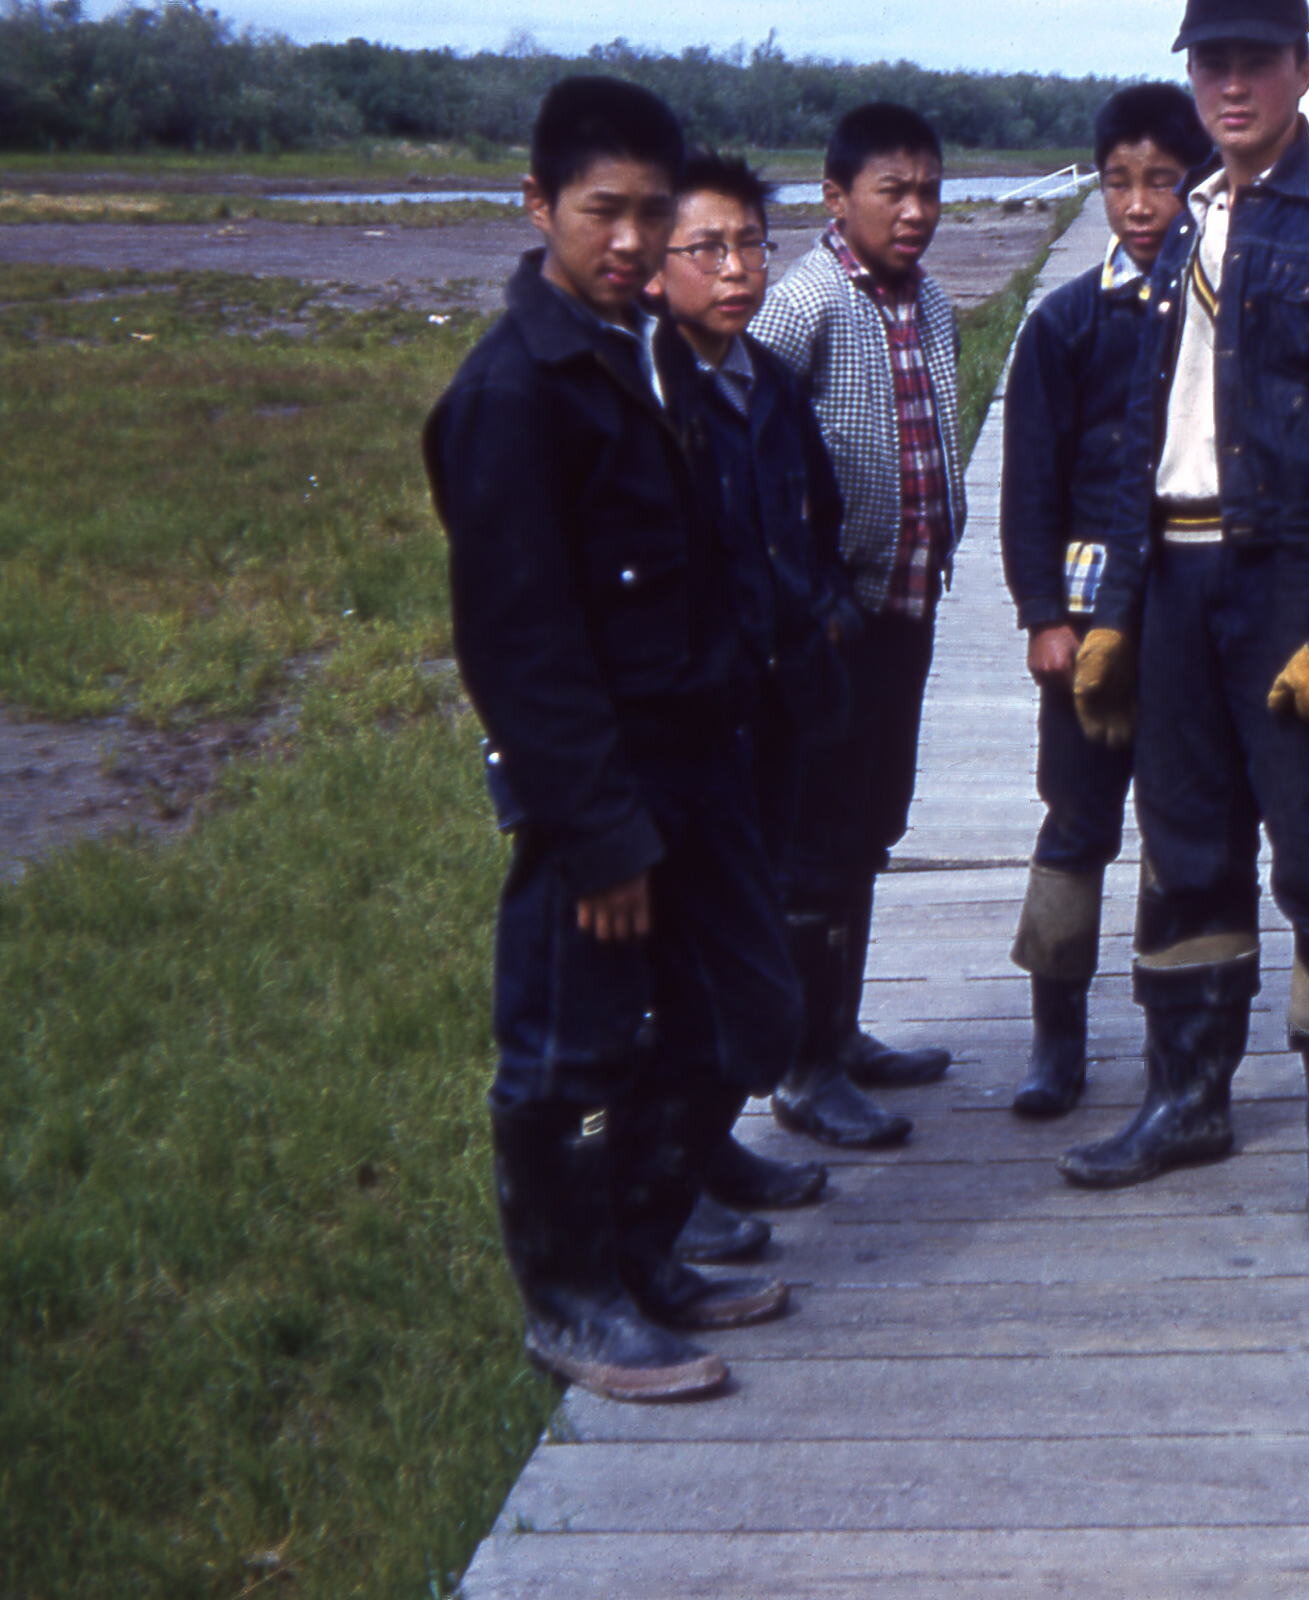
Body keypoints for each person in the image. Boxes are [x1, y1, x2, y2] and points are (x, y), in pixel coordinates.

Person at [423, 77, 799, 1403]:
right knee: (573, 1053)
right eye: (603, 212)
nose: (633, 240)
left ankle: (647, 1252)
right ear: (537, 208)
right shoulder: (517, 392)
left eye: (653, 212)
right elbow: (518, 649)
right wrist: (593, 835)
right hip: (599, 789)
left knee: (744, 1012)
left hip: (702, 762)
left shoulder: (650, 352)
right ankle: (574, 1304)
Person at [1062, 0, 1309, 1235]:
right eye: (1209, 63)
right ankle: (1189, 1097)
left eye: (1253, 62)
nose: (1229, 85)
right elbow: (1132, 451)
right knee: (1184, 850)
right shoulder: (1179, 233)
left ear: (1302, 69)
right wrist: (1115, 606)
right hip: (1173, 577)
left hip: (1288, 580)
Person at [645, 150, 857, 1262]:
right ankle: (663, 1189)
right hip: (693, 722)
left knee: (762, 919)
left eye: (749, 247)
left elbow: (811, 515)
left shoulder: (764, 381)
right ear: (652, 263)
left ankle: (714, 1147)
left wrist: (819, 612)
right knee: (687, 960)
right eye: (707, 249)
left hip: (776, 703)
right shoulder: (648, 396)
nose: (735, 270)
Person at [750, 103, 966, 1146]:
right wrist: (801, 589)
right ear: (837, 197)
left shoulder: (932, 305)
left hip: (906, 611)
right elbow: (748, 453)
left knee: (874, 823)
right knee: (817, 840)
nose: (917, 210)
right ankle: (799, 1063)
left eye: (931, 189)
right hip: (830, 624)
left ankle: (843, 1027)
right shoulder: (801, 306)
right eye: (895, 190)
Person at [1000, 84, 1211, 1118]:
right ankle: (1056, 1037)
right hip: (1086, 620)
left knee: (1182, 827)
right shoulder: (1064, 324)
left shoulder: (1224, 315)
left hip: (1188, 613)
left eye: (1162, 181)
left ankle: (1179, 1040)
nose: (1139, 204)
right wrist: (1044, 611)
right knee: (1077, 819)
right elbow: (1029, 482)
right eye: (1120, 181)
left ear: (1196, 186)